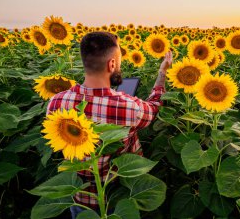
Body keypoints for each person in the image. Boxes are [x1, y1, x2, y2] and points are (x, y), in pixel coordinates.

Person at [46, 31, 173, 218]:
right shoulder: (129, 107)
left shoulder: (56, 103)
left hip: (80, 199)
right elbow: (153, 108)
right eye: (119, 60)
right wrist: (162, 73)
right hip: (119, 195)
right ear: (112, 64)